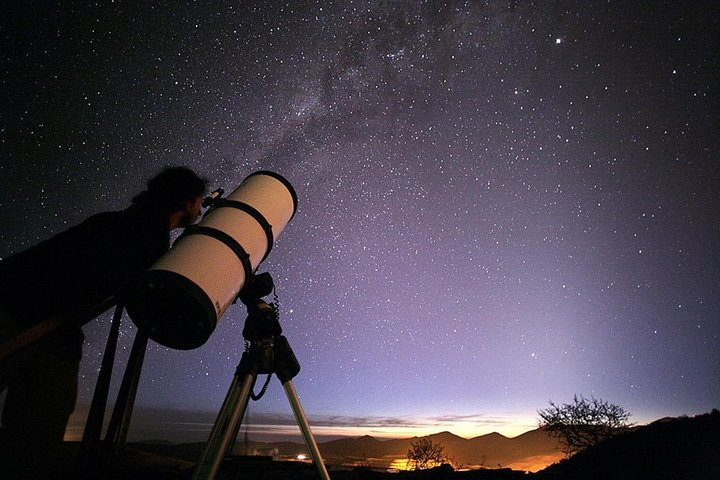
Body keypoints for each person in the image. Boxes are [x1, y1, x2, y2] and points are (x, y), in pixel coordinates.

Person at [0, 166, 207, 478]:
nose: (201, 209)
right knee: (37, 432)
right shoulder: (148, 235)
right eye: (199, 203)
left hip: (39, 314)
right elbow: (150, 303)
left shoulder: (124, 220)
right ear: (186, 201)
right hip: (26, 316)